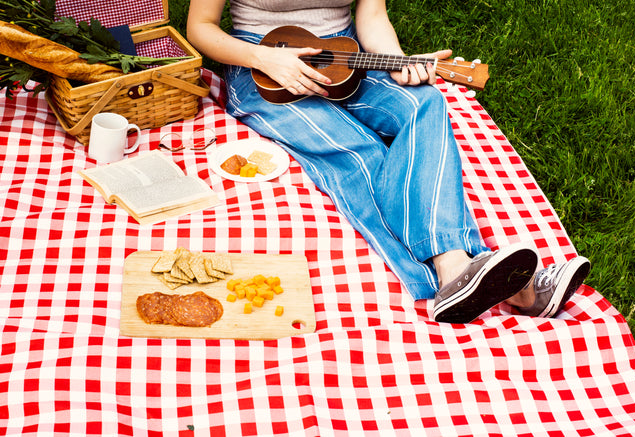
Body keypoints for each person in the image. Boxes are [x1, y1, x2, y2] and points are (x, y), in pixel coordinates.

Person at [186, 0, 591, 323]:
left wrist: (397, 60)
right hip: (262, 67)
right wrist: (265, 59)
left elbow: (372, 13)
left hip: (344, 55)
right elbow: (200, 26)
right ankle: (478, 276)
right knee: (357, 151)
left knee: (425, 102)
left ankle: (459, 273)